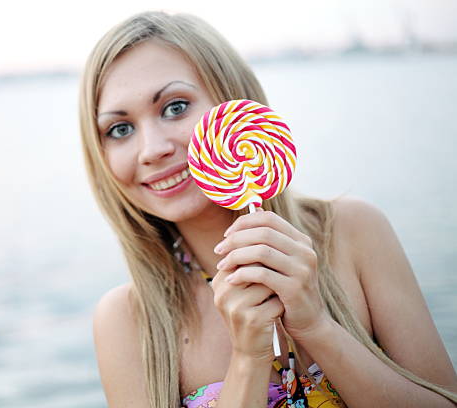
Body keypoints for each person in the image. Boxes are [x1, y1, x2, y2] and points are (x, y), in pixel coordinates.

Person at [79, 11, 457, 408]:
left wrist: (318, 327)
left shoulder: (354, 231)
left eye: (175, 107)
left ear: (235, 103)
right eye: (119, 129)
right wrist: (247, 359)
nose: (153, 148)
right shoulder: (126, 320)